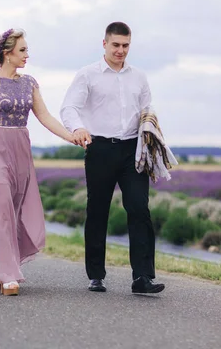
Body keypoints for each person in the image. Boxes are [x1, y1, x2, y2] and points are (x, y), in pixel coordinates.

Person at [0, 28, 77, 296]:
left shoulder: (29, 83)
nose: (26, 55)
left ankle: (0, 267)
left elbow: (45, 116)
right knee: (0, 207)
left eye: (26, 50)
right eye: (22, 50)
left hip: (20, 149)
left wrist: (70, 136)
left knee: (14, 209)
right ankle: (9, 276)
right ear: (6, 53)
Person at [60, 21, 165, 294]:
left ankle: (143, 277)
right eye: (116, 45)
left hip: (133, 150)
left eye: (126, 45)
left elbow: (147, 108)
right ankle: (96, 275)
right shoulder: (87, 75)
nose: (121, 50)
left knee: (139, 208)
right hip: (100, 149)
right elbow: (69, 107)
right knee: (98, 211)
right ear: (104, 43)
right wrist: (78, 128)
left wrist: (151, 128)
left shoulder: (139, 77)